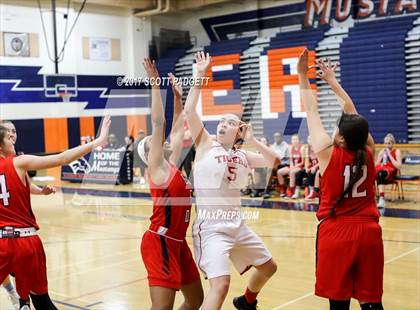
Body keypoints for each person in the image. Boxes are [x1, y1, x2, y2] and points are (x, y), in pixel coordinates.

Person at [184, 52, 277, 310]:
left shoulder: (242, 153)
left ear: (239, 132)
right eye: (222, 121)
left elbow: (274, 161)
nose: (223, 124)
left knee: (270, 267)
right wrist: (200, 74)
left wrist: (253, 140)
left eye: (231, 122)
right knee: (220, 286)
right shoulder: (206, 145)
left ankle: (246, 301)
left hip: (238, 226)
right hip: (212, 229)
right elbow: (189, 110)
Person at [298, 51, 383, 310]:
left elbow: (311, 109)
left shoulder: (327, 152)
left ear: (342, 139)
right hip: (369, 231)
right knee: (371, 301)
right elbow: (353, 114)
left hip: (337, 232)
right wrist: (333, 82)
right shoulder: (370, 151)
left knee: (339, 301)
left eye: (338, 127)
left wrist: (303, 76)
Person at [0, 116, 110, 310]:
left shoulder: (17, 165)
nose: (13, 139)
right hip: (25, 242)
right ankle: (20, 299)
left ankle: (18, 299)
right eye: (9, 138)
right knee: (42, 301)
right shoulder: (19, 162)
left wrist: (39, 191)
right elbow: (62, 158)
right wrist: (97, 142)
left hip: (3, 242)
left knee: (32, 299)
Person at [138, 59, 203, 310]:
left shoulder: (172, 164)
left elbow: (177, 126)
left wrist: (177, 98)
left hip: (178, 242)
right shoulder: (157, 168)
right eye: (155, 142)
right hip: (160, 241)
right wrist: (155, 85)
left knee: (195, 301)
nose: (163, 141)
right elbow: (159, 124)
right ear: (150, 153)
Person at [0, 120, 56, 310]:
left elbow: (23, 184)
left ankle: (21, 300)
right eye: (8, 133)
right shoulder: (15, 160)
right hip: (15, 234)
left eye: (14, 131)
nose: (12, 135)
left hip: (16, 232)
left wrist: (41, 191)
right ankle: (15, 294)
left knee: (24, 275)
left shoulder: (17, 160)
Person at [375, 133, 402, 208]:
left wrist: (389, 155)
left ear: (393, 143)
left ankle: (381, 198)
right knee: (372, 173)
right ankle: (369, 197)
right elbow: (376, 164)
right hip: (382, 168)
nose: (387, 145)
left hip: (391, 170)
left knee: (381, 173)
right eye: (385, 143)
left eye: (389, 143)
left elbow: (398, 166)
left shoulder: (397, 151)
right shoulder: (382, 152)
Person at [303, 136, 320, 200]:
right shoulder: (308, 149)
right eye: (308, 139)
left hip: (320, 166)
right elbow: (307, 160)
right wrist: (307, 167)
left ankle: (315, 192)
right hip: (313, 166)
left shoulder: (318, 148)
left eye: (311, 139)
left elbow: (321, 161)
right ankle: (311, 191)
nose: (310, 141)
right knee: (303, 172)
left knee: (313, 173)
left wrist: (315, 167)